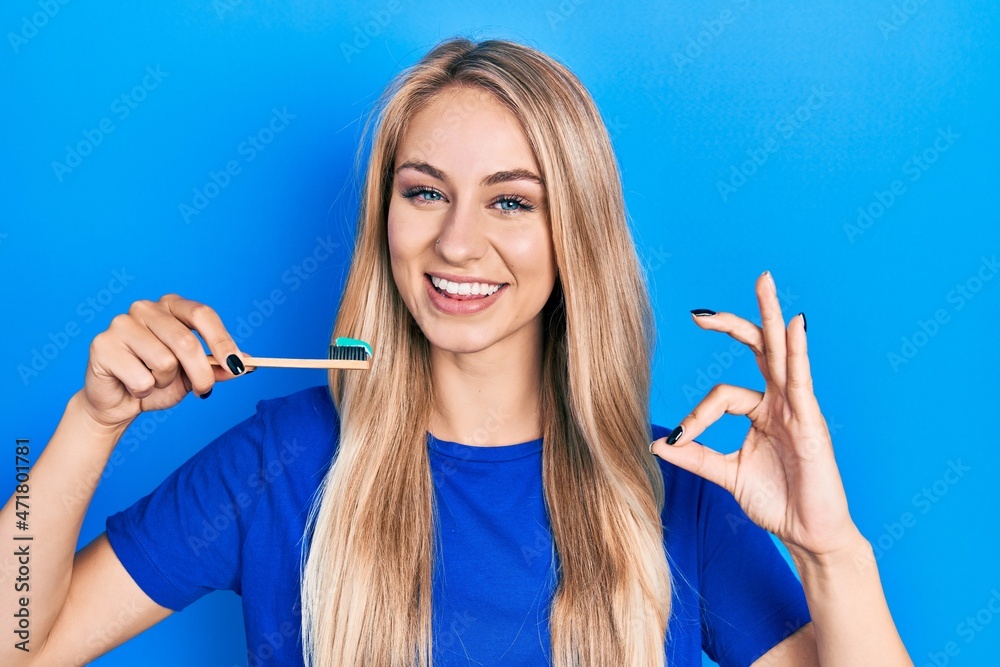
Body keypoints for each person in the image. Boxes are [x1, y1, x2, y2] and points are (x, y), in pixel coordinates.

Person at [1, 37, 912, 667]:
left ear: (576, 235)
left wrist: (830, 546)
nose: (457, 244)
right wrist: (92, 420)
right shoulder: (280, 461)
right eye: (425, 192)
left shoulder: (673, 489)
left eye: (511, 201)